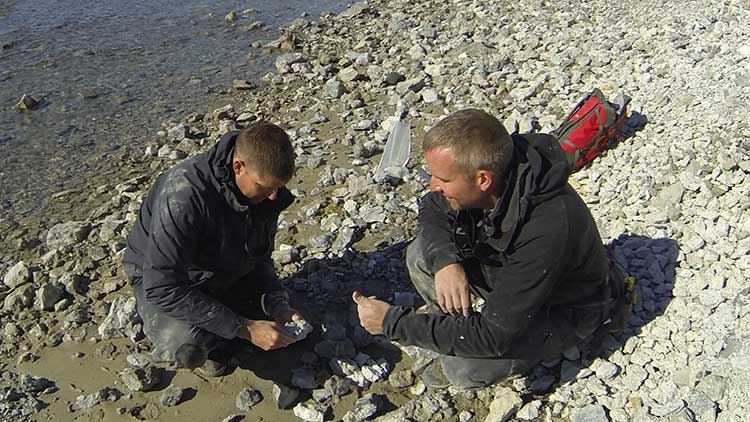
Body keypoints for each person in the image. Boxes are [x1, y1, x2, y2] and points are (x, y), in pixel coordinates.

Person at [353, 109, 626, 389]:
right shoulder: (495, 176)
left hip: (563, 308)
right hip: (509, 277)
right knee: (423, 254)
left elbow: (496, 336)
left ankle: (475, 337)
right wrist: (446, 263)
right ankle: (457, 327)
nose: (432, 186)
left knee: (463, 368)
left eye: (443, 180)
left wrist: (392, 323)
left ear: (483, 179)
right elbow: (432, 207)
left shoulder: (547, 226)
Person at [122, 121, 305, 376]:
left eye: (278, 188)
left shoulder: (264, 193)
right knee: (190, 348)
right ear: (238, 167)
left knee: (281, 320)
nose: (274, 196)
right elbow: (162, 286)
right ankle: (219, 339)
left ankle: (238, 321)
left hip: (221, 264)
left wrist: (277, 302)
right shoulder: (184, 195)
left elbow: (260, 257)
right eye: (265, 187)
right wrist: (246, 328)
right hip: (167, 279)